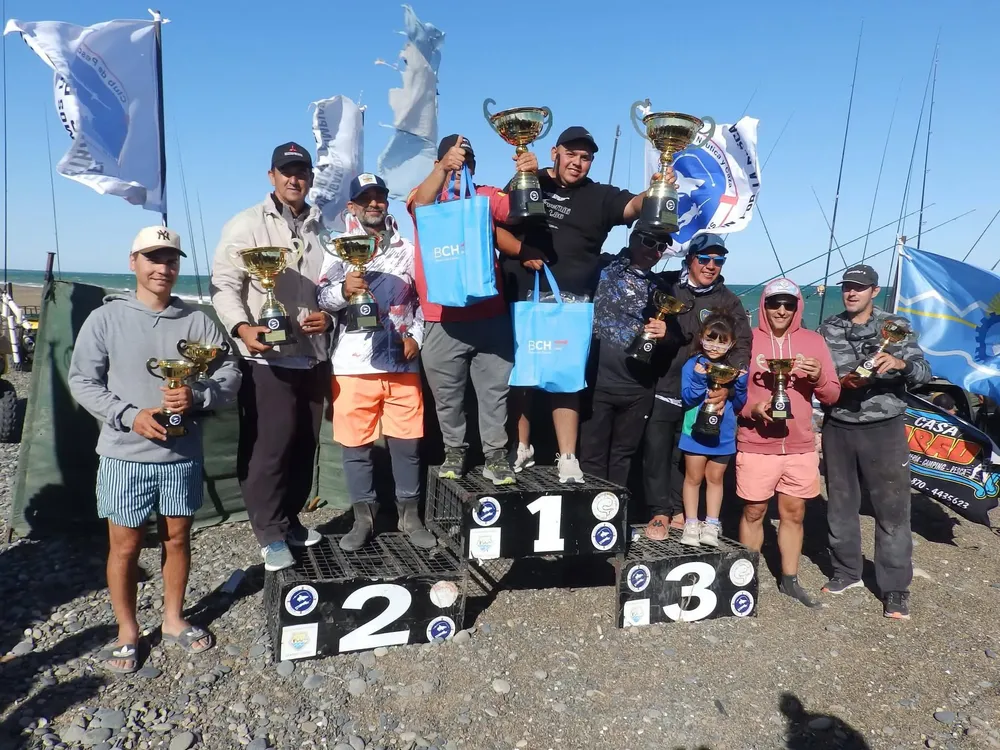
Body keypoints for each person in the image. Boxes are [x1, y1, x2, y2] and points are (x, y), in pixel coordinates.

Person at [68, 227, 241, 673]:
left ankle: (172, 619)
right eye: (153, 258)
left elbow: (230, 373)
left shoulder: (198, 321)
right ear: (134, 263)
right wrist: (129, 415)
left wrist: (198, 397)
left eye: (171, 259)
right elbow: (82, 381)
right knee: (124, 547)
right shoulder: (105, 319)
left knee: (178, 538)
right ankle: (127, 630)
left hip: (182, 456)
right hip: (124, 455)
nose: (163, 268)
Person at [501, 126, 665, 482]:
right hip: (525, 297)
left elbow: (633, 206)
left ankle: (568, 457)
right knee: (522, 378)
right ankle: (521, 447)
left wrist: (655, 191)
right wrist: (520, 178)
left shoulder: (600, 196)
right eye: (571, 154)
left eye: (586, 157)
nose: (578, 163)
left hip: (573, 305)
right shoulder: (528, 180)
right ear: (555, 153)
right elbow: (499, 224)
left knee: (567, 380)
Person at [211, 142, 332, 572]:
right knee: (270, 446)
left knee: (305, 443)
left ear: (311, 178)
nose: (294, 179)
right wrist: (243, 329)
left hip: (313, 355)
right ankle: (268, 533)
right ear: (272, 177)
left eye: (301, 172)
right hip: (267, 358)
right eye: (286, 171)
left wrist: (328, 318)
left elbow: (332, 288)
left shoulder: (325, 226)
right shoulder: (245, 224)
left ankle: (290, 520)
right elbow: (224, 285)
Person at [317, 173, 436, 551]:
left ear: (387, 202)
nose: (373, 204)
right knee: (356, 447)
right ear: (351, 206)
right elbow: (322, 299)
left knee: (407, 445)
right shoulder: (338, 248)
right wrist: (342, 289)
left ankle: (409, 515)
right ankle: (362, 519)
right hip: (353, 363)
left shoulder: (409, 249)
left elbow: (424, 304)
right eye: (364, 198)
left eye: (379, 197)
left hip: (401, 363)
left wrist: (416, 337)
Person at [408, 134, 536, 485]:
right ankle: (455, 451)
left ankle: (495, 456)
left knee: (494, 394)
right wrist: (442, 169)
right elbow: (420, 201)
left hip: (489, 318)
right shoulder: (428, 198)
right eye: (453, 161)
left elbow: (513, 210)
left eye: (467, 162)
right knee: (447, 398)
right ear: (440, 163)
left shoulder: (485, 196)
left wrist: (530, 175)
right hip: (441, 320)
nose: (460, 168)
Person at [819, 263, 932, 620]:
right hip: (838, 427)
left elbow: (924, 373)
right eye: (847, 287)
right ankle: (847, 571)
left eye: (859, 287)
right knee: (839, 504)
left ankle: (895, 587)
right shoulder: (828, 328)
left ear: (874, 291)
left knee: (892, 510)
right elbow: (820, 377)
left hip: (883, 428)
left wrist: (899, 364)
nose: (851, 293)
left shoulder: (894, 327)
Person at [736, 278, 841, 607]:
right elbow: (728, 391)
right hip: (756, 443)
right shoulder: (747, 340)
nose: (781, 310)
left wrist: (818, 376)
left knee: (794, 513)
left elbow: (832, 393)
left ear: (798, 308)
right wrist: (753, 409)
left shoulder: (813, 341)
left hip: (799, 446)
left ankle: (790, 579)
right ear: (763, 306)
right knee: (754, 511)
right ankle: (746, 578)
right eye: (774, 303)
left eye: (789, 304)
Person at [643, 234, 751, 540]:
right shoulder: (666, 286)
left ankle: (681, 511)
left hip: (705, 393)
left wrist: (727, 382)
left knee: (688, 455)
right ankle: (659, 512)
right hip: (664, 384)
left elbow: (742, 344)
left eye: (718, 260)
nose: (711, 265)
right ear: (690, 259)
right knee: (657, 452)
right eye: (704, 258)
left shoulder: (729, 300)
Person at [578, 230, 671, 484]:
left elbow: (677, 338)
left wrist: (667, 332)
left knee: (624, 458)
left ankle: (615, 519)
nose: (655, 250)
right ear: (632, 239)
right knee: (590, 456)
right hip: (597, 383)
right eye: (649, 242)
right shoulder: (604, 267)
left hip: (637, 390)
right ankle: (591, 519)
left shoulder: (662, 289)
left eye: (662, 246)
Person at [678, 311, 748, 547]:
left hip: (724, 434)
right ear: (701, 337)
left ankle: (711, 523)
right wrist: (699, 380)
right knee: (693, 477)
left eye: (722, 341)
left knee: (715, 478)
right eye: (710, 338)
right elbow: (687, 398)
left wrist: (740, 384)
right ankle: (691, 523)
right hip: (694, 432)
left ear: (732, 344)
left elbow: (738, 405)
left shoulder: (732, 369)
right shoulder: (692, 365)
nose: (715, 345)